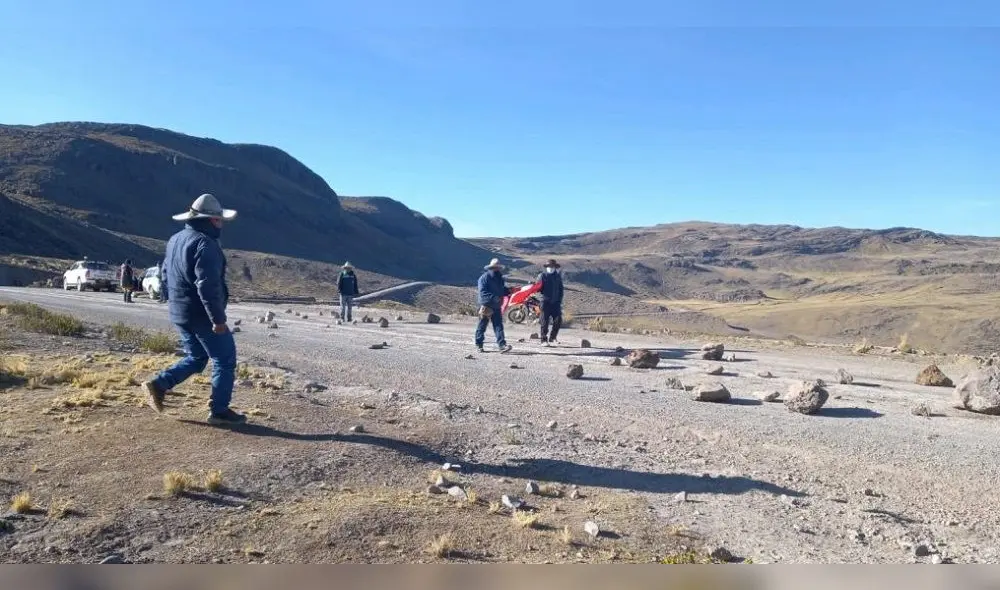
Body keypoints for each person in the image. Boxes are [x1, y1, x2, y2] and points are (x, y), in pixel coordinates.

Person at [142, 193, 245, 426]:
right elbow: (208, 285)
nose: (222, 224)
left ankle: (159, 385)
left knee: (197, 357)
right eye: (220, 220)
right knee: (224, 359)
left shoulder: (176, 239)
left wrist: (172, 303)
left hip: (180, 311)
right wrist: (217, 320)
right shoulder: (205, 244)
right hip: (201, 314)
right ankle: (219, 412)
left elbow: (166, 275)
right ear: (211, 220)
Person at [475, 258, 512, 353]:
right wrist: (494, 298)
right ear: (491, 267)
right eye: (495, 267)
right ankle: (479, 344)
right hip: (486, 305)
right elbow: (482, 292)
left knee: (498, 326)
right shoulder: (484, 278)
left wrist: (509, 291)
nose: (496, 269)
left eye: (498, 267)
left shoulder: (500, 279)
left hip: (497, 306)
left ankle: (502, 345)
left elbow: (502, 290)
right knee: (482, 326)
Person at [537, 258, 565, 345]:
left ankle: (552, 337)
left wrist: (559, 300)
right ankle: (543, 340)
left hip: (555, 303)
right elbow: (538, 288)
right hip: (545, 302)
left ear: (555, 267)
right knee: (544, 321)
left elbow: (561, 289)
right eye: (549, 266)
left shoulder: (557, 276)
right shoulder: (542, 276)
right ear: (546, 267)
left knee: (558, 320)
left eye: (552, 266)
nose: (551, 268)